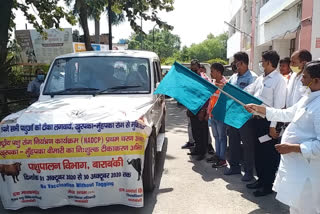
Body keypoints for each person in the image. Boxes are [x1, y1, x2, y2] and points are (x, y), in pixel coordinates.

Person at [244, 60, 320, 214]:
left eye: (304, 77)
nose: (301, 80)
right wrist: (261, 109)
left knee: (308, 208)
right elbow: (287, 113)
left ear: (316, 80)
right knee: (296, 206)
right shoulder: (309, 97)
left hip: (308, 171)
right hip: (297, 168)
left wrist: (294, 148)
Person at [244, 50, 287, 197]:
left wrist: (273, 126)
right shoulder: (261, 79)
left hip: (268, 123)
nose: (261, 64)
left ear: (269, 62)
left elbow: (279, 105)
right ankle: (261, 180)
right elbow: (248, 91)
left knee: (268, 155)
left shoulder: (279, 80)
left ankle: (268, 185)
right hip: (256, 121)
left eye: (262, 61)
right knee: (259, 153)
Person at [224, 52, 258, 182]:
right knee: (233, 142)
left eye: (236, 63)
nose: (235, 66)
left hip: (246, 117)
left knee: (247, 145)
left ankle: (249, 171)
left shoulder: (253, 78)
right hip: (233, 116)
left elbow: (250, 96)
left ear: (243, 63)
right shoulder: (233, 77)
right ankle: (234, 167)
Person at [186, 59, 209, 161]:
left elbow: (206, 96)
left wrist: (203, 110)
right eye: (192, 68)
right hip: (192, 109)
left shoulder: (203, 80)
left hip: (201, 111)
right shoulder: (190, 80)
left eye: (195, 69)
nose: (193, 70)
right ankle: (197, 149)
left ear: (199, 69)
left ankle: (202, 152)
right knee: (195, 131)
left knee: (202, 132)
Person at [206, 63, 228, 168]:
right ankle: (218, 155)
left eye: (212, 71)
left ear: (219, 72)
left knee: (222, 137)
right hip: (213, 115)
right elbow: (211, 99)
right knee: (216, 137)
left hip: (220, 115)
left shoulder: (226, 84)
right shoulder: (213, 82)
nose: (211, 73)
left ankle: (222, 159)